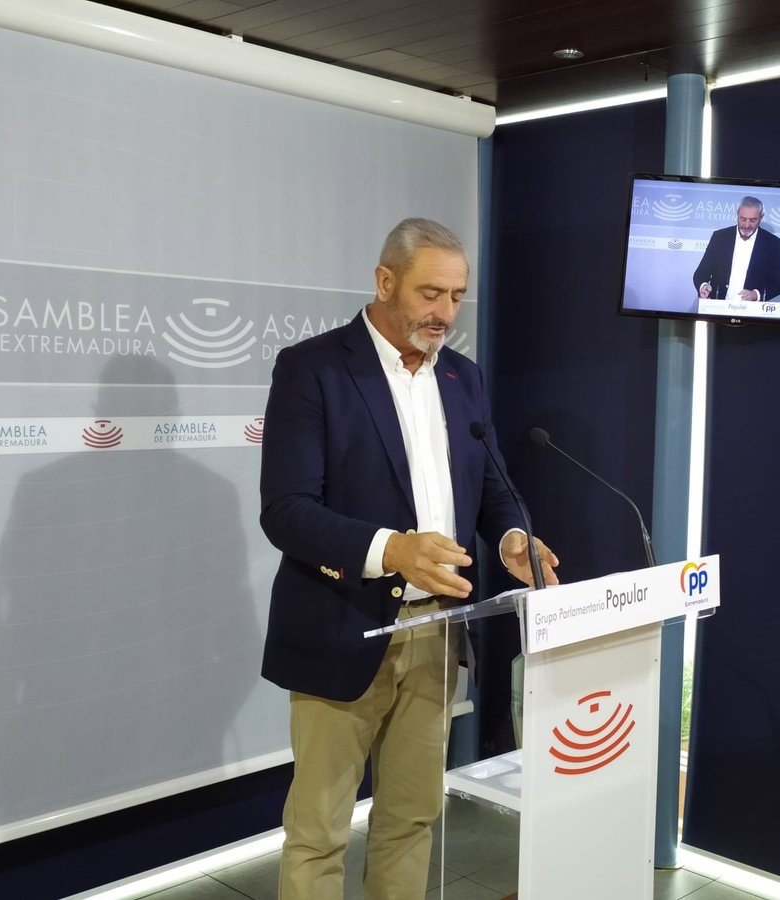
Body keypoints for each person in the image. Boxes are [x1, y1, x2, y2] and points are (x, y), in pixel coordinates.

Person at [259, 217, 559, 900]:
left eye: (456, 296)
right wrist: (392, 549)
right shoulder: (314, 369)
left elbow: (493, 489)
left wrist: (512, 537)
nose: (444, 312)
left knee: (412, 818)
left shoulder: (462, 376)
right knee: (319, 831)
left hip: (436, 632)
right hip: (343, 626)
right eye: (430, 293)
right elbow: (286, 511)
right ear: (384, 281)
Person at [692, 196, 780, 303]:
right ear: (737, 214)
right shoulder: (720, 237)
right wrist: (703, 286)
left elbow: (777, 284)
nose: (747, 225)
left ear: (761, 217)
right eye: (743, 219)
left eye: (753, 220)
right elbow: (701, 273)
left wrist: (756, 294)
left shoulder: (772, 243)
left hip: (751, 310)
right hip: (718, 306)